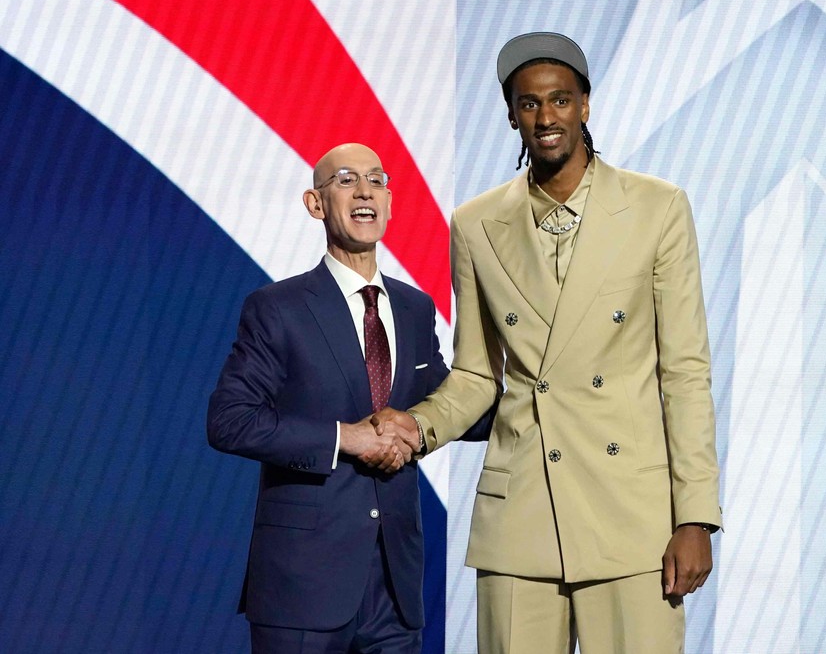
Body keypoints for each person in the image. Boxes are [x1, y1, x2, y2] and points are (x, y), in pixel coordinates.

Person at [373, 33, 722, 653]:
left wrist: (695, 517)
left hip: (631, 514)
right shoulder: (476, 224)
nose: (546, 117)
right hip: (521, 513)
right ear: (512, 115)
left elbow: (685, 373)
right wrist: (417, 428)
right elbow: (479, 375)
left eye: (559, 100)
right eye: (529, 104)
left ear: (585, 104)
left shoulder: (657, 208)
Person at [208, 143, 477, 653]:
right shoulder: (276, 308)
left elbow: (450, 400)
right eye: (347, 179)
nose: (364, 191)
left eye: (377, 180)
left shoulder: (416, 307)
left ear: (391, 203)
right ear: (315, 204)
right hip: (302, 586)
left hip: (395, 592)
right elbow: (229, 419)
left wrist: (543, 393)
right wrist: (343, 438)